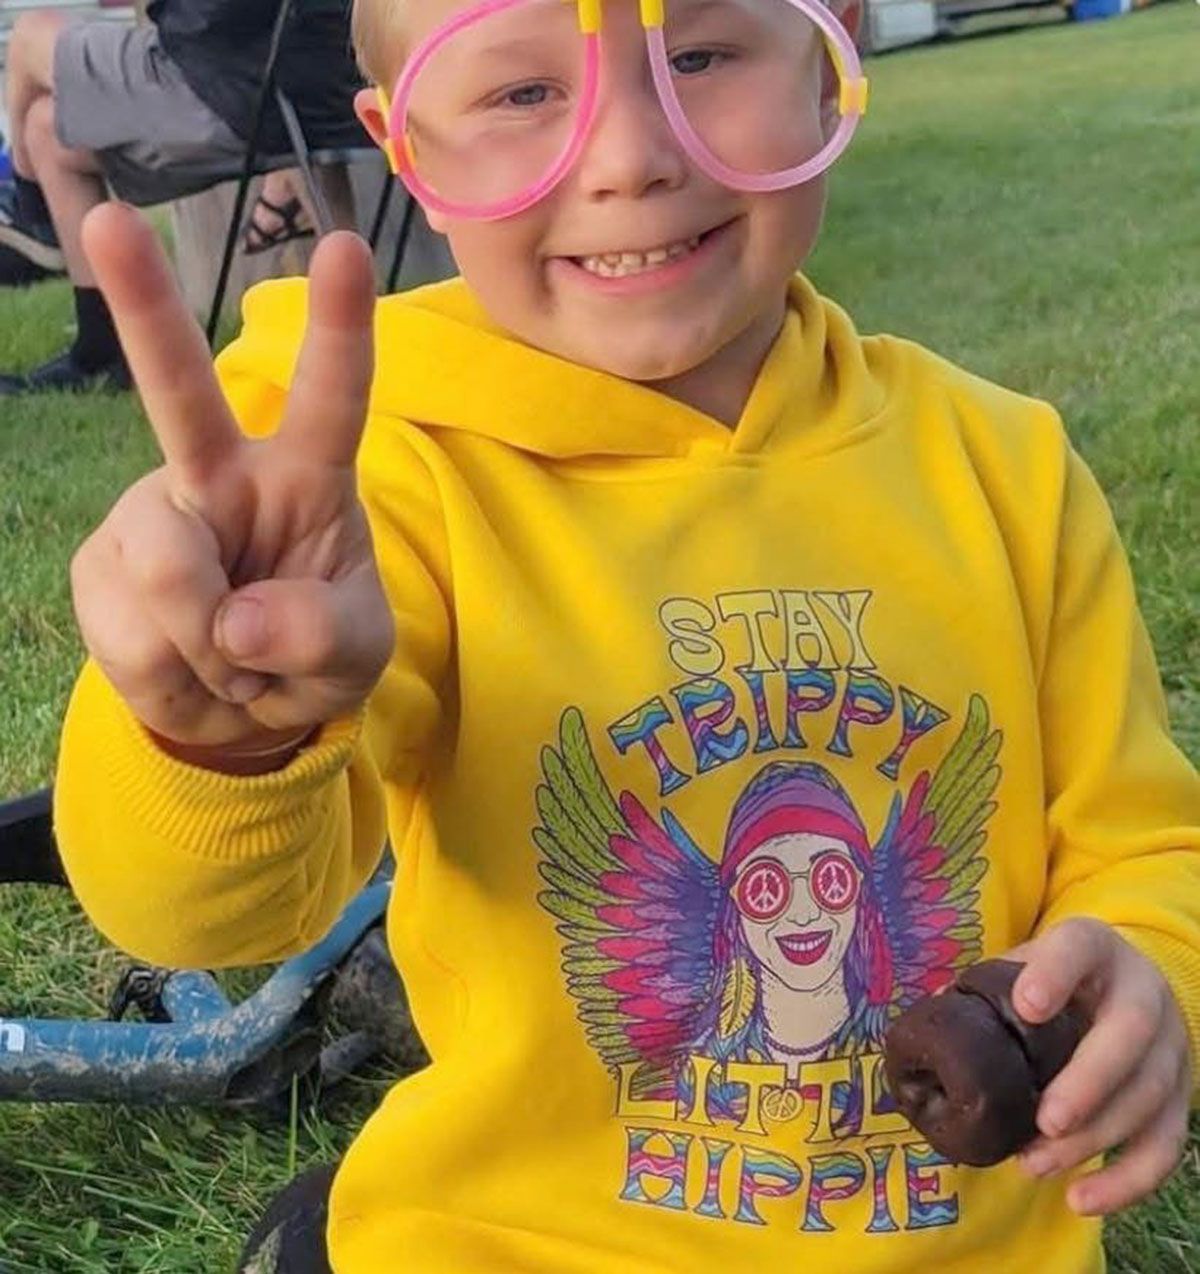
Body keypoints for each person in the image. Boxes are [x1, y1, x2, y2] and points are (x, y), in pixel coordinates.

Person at [53, 0, 1199, 1266]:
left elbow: (1142, 841)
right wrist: (214, 736)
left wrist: (1154, 968)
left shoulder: (1006, 469)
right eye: (521, 94)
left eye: (700, 53)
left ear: (833, 56)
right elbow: (196, 914)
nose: (630, 156)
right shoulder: (370, 479)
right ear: (410, 152)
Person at [0, 0, 364, 395]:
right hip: (327, 93)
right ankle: (103, 346)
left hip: (233, 91)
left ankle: (31, 215)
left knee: (30, 35)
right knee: (47, 129)